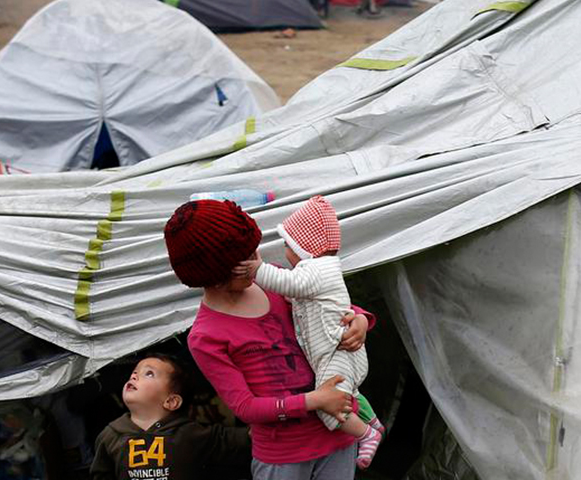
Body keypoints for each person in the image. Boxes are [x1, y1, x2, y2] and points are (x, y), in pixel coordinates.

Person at [164, 199, 373, 480]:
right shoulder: (206, 336)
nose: (257, 261)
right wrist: (314, 400)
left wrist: (359, 319)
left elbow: (326, 303)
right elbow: (246, 407)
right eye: (246, 260)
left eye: (255, 250)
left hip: (339, 435)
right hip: (284, 456)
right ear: (215, 275)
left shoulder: (276, 282)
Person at [235, 195, 383, 469]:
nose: (284, 251)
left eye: (287, 244)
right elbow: (306, 299)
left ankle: (366, 433)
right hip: (336, 349)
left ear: (303, 247)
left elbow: (289, 284)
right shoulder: (320, 270)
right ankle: (372, 421)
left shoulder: (315, 269)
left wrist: (258, 269)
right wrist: (360, 318)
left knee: (329, 408)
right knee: (349, 393)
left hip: (335, 350)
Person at [90, 354, 251, 480]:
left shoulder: (190, 433)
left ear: (171, 401)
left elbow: (242, 440)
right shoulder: (109, 436)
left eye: (149, 373)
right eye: (134, 372)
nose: (134, 376)